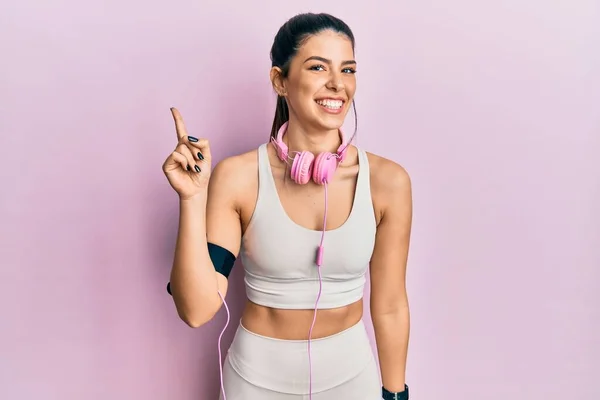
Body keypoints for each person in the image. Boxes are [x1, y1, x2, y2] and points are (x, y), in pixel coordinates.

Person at [162, 12, 412, 400]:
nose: (337, 84)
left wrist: (396, 396)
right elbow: (196, 310)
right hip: (256, 381)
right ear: (280, 80)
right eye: (318, 67)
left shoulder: (388, 182)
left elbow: (391, 304)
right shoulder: (238, 177)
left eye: (348, 69)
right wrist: (193, 198)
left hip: (352, 380)